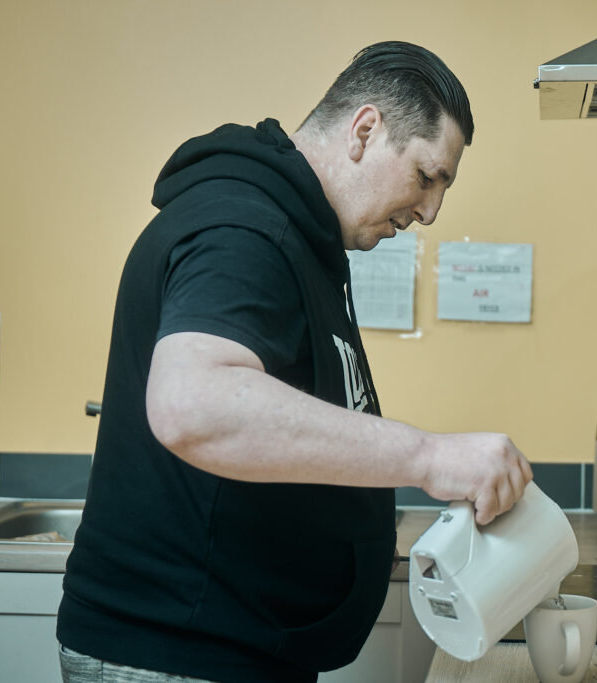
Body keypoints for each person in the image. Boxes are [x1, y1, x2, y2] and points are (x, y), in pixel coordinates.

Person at [57, 41, 533, 683]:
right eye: (426, 177)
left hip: (231, 652)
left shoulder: (300, 237)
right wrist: (430, 456)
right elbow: (192, 406)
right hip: (178, 655)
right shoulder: (246, 229)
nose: (430, 212)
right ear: (366, 129)